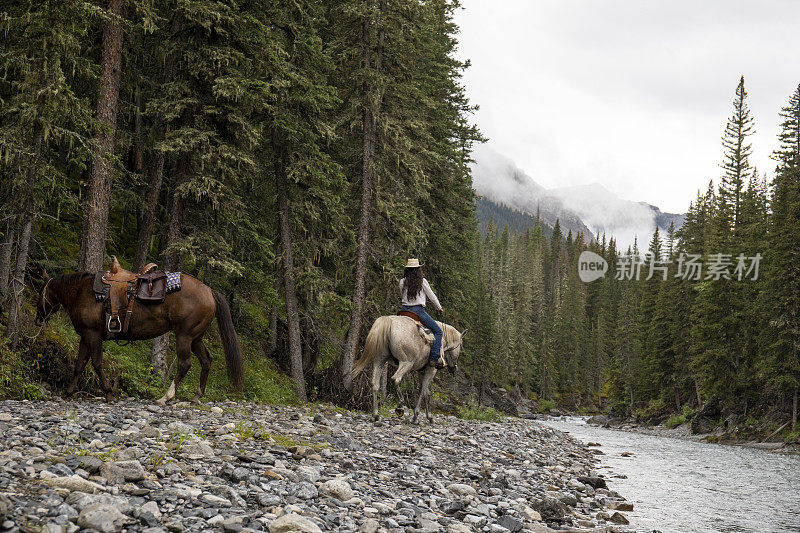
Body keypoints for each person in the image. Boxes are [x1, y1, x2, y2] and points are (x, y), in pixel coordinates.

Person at [399, 258, 445, 369]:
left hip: (404, 310)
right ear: (418, 269)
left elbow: (401, 295)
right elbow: (432, 297)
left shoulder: (402, 281)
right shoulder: (422, 281)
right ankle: (434, 358)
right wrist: (439, 308)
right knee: (438, 331)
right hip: (418, 311)